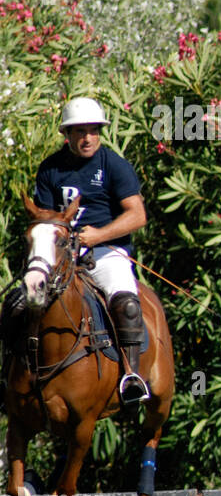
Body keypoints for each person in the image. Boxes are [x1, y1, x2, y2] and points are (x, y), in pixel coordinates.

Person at [23, 97, 151, 403]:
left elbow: (137, 215)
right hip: (60, 253)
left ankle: (131, 376)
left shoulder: (113, 165)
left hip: (107, 252)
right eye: (80, 131)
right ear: (67, 134)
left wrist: (98, 235)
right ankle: (12, 377)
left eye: (94, 130)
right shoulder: (51, 168)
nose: (87, 137)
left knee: (127, 303)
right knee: (20, 302)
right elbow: (44, 215)